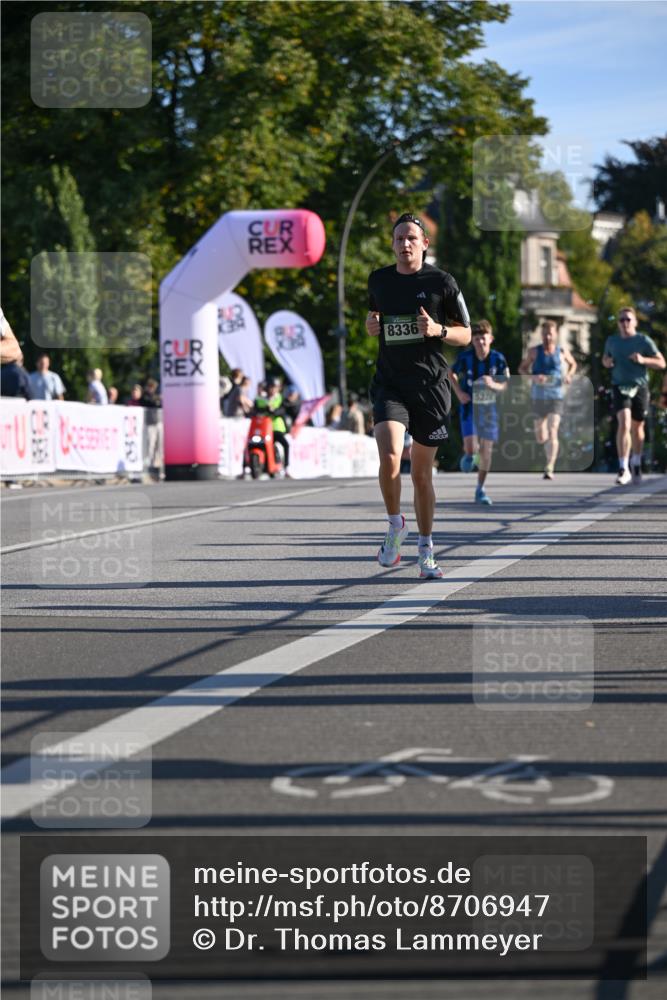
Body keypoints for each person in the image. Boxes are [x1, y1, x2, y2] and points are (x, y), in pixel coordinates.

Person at [366, 212, 471, 578]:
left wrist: (438, 329)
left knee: (422, 476)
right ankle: (395, 525)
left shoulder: (442, 282)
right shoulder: (379, 280)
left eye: (411, 238)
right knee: (390, 455)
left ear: (424, 243)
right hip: (390, 384)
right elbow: (374, 320)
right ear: (392, 245)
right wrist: (370, 325)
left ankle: (426, 547)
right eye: (399, 239)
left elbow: (465, 334)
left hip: (430, 388)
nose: (405, 244)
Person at [602, 306, 665, 484]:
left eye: (628, 319)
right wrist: (607, 362)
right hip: (619, 386)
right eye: (621, 320)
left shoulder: (643, 341)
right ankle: (623, 468)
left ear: (635, 322)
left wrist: (643, 360)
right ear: (618, 323)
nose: (625, 323)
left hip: (639, 387)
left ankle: (636, 461)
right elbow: (605, 359)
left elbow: (662, 363)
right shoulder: (612, 341)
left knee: (637, 428)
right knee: (624, 423)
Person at [451, 320, 509, 505]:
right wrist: (459, 393)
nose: (480, 342)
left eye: (483, 338)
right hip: (469, 408)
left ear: (490, 339)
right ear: (472, 341)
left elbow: (506, 383)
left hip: (489, 409)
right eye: (476, 339)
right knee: (471, 448)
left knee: (486, 451)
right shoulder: (465, 357)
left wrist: (494, 385)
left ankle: (480, 488)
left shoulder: (498, 359)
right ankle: (469, 455)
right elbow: (450, 373)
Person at [519, 320, 577, 480]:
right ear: (541, 335)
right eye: (545, 334)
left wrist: (569, 375)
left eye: (550, 334)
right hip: (538, 397)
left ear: (556, 334)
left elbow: (573, 364)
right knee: (540, 436)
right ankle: (547, 448)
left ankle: (549, 467)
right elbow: (521, 368)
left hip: (556, 396)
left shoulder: (562, 351)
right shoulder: (534, 352)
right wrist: (533, 377)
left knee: (553, 430)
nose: (548, 337)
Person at [255, 376, 290, 472]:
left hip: (276, 428)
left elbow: (282, 410)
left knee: (285, 444)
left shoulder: (280, 398)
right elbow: (257, 409)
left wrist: (273, 411)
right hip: (264, 429)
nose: (273, 390)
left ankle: (286, 467)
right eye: (271, 387)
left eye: (275, 387)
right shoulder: (262, 399)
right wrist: (265, 409)